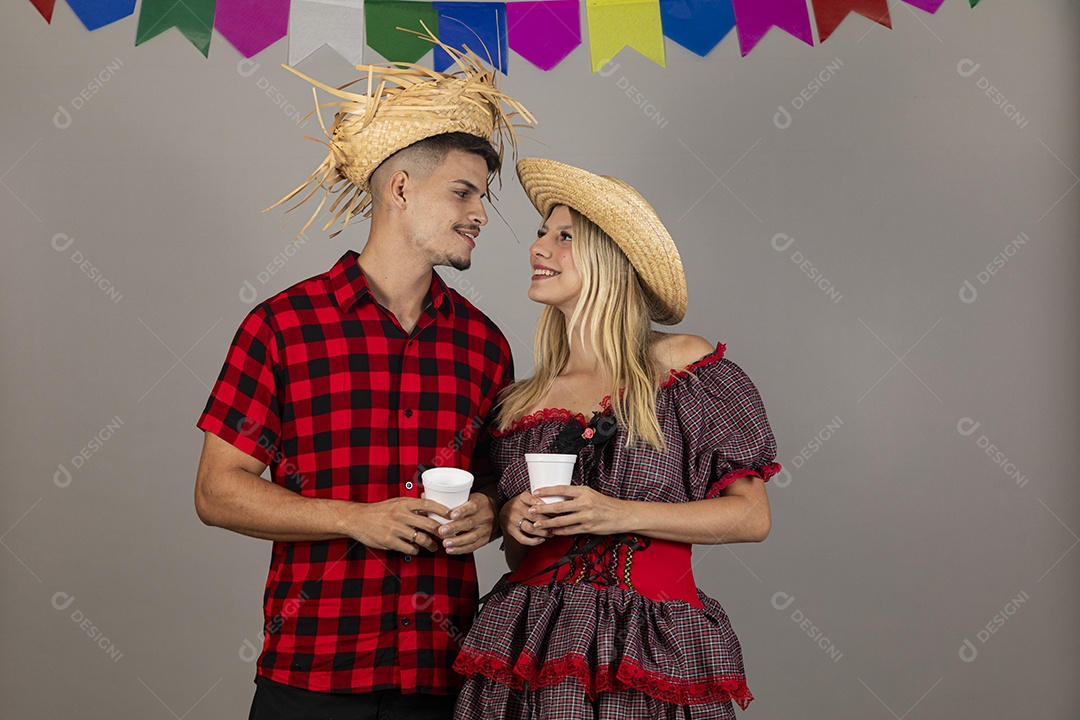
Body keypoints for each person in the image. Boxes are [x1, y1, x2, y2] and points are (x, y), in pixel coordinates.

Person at [194, 35, 533, 720]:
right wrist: (354, 520)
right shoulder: (283, 326)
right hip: (311, 680)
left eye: (483, 196)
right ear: (401, 188)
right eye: (464, 192)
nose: (479, 215)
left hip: (442, 682)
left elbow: (498, 486)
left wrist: (488, 514)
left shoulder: (485, 346)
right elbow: (217, 492)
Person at [452, 158, 781, 719]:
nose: (539, 249)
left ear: (611, 259)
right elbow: (515, 553)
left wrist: (614, 513)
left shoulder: (681, 367)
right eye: (540, 235)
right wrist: (514, 522)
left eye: (565, 238)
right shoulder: (519, 402)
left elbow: (751, 517)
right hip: (528, 640)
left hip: (649, 638)